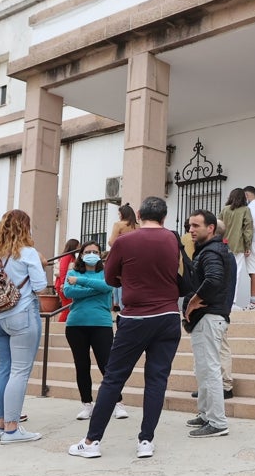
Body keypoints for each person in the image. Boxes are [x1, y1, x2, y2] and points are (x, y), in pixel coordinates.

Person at [68, 196, 182, 459]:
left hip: (136, 317)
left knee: (114, 378)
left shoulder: (124, 241)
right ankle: (146, 441)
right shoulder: (172, 239)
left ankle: (92, 440)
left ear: (139, 215)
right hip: (167, 316)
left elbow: (110, 278)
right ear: (164, 217)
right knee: (156, 379)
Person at [0, 209, 47, 444]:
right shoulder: (28, 253)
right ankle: (12, 429)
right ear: (26, 228)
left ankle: (0, 425)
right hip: (22, 314)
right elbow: (40, 286)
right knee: (20, 372)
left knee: (4, 369)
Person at [183, 209, 236, 438]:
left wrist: (193, 302)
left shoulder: (211, 252)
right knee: (203, 369)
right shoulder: (213, 250)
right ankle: (206, 415)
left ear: (211, 228)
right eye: (190, 226)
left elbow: (213, 280)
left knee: (210, 369)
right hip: (210, 317)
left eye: (196, 226)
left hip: (209, 317)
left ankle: (217, 422)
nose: (191, 230)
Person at [63, 240, 127, 421]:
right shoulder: (72, 271)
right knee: (81, 366)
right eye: (88, 251)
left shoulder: (105, 272)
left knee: (106, 365)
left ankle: (117, 403)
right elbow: (69, 292)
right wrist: (94, 289)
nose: (92, 254)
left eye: (96, 251)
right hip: (76, 325)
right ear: (81, 255)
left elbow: (107, 286)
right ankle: (87, 404)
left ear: (100, 255)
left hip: (101, 324)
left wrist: (81, 282)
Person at [218, 187, 253, 309]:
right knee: (236, 273)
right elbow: (248, 229)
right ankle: (232, 301)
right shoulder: (245, 210)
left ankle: (220, 300)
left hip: (224, 245)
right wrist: (248, 246)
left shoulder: (225, 210)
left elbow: (218, 227)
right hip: (238, 246)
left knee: (222, 273)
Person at [54, 238, 80, 322]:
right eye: (78, 245)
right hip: (64, 284)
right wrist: (63, 283)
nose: (79, 247)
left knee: (68, 306)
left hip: (66, 283)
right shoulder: (67, 256)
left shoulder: (71, 256)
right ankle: (60, 325)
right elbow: (63, 269)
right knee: (68, 307)